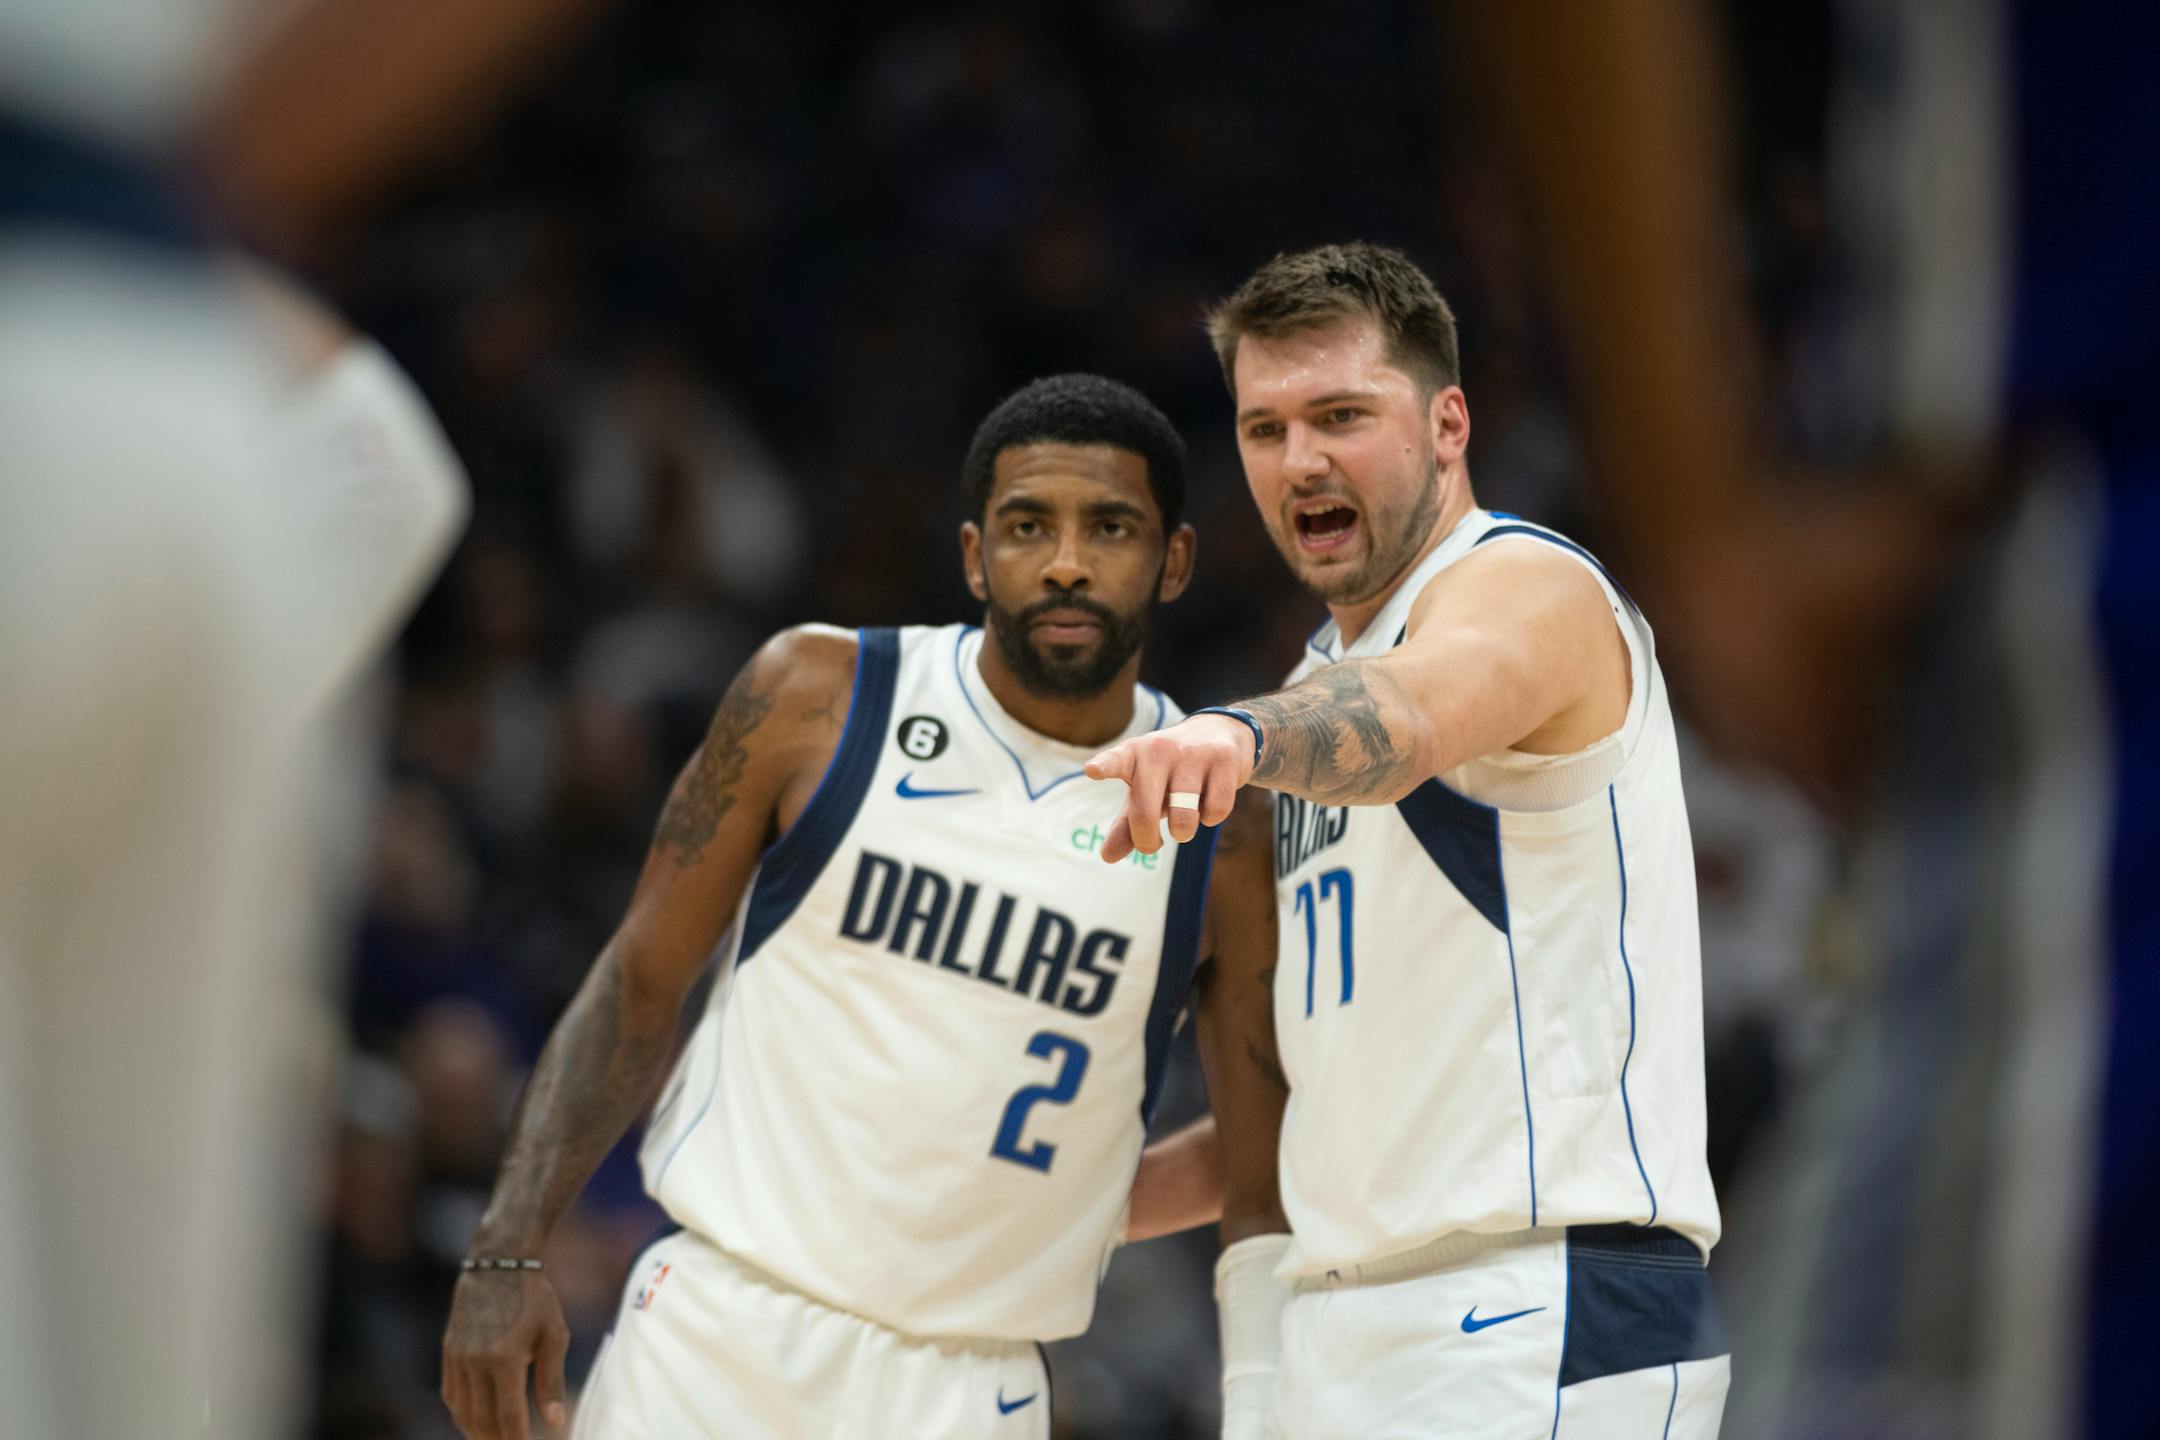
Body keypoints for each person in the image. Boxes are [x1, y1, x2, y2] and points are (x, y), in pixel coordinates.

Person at [439, 373, 1288, 1440]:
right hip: (719, 1334)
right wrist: (507, 1247)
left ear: (1174, 561)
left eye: (1110, 527)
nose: (1067, 562)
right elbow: (639, 980)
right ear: (977, 553)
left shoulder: (1223, 823)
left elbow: (1260, 1165)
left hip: (965, 1383)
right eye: (1030, 526)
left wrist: (1255, 1400)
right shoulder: (818, 697)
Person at [1085, 243, 1727, 1437]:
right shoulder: (1307, 689)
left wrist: (1231, 738)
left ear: (1447, 423)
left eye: (1341, 416)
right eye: (1265, 428)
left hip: (1537, 1299)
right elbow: (1316, 1113)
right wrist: (1063, 1202)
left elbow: (1418, 712)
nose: (1302, 460)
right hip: (1352, 1324)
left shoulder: (1528, 586)